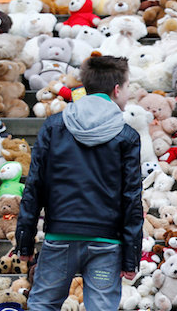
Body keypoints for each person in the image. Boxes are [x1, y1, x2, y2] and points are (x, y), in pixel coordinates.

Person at [15, 55, 143, 310]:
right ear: (117, 89)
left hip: (59, 234)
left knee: (42, 304)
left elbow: (34, 186)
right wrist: (131, 258)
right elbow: (131, 199)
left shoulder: (53, 126)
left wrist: (25, 241)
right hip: (107, 241)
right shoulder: (127, 135)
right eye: (127, 87)